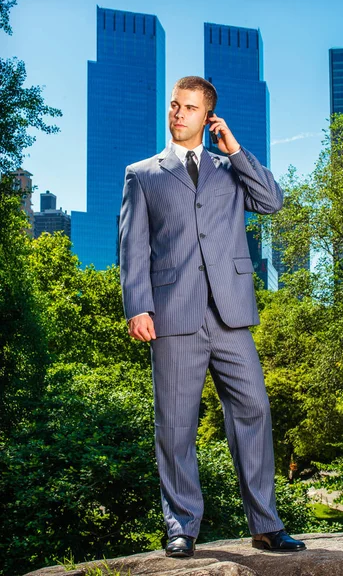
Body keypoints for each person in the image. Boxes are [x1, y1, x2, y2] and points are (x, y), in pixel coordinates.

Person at [119, 76, 306, 558]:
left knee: (254, 409)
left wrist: (237, 148)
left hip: (231, 313)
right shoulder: (143, 174)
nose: (179, 113)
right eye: (174, 106)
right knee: (176, 425)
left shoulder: (230, 168)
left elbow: (272, 201)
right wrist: (137, 305)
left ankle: (266, 524)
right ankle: (181, 526)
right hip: (172, 314)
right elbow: (132, 248)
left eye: (190, 108)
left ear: (208, 117)